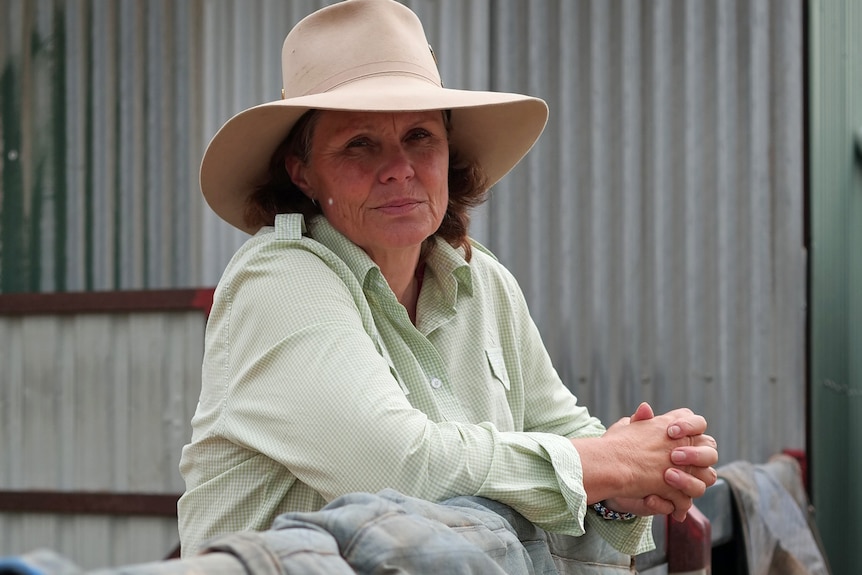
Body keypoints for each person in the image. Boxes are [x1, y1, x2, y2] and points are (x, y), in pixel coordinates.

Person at [178, 0, 718, 563]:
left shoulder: (482, 280)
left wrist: (649, 472)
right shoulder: (280, 279)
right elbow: (395, 466)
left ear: (448, 152)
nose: (399, 167)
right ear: (302, 172)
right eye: (359, 144)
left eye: (419, 136)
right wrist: (610, 463)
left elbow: (563, 428)